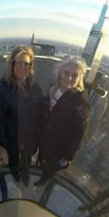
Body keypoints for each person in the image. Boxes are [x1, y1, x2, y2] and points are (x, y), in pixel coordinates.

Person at [0, 46, 43, 185]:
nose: (23, 67)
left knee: (26, 161)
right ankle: (16, 178)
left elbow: (40, 115)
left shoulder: (36, 87)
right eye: (19, 62)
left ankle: (24, 177)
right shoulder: (1, 91)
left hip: (30, 140)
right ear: (12, 63)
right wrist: (5, 145)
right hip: (13, 141)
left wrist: (38, 137)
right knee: (14, 162)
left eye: (27, 63)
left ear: (31, 66)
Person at [35, 57, 90, 186]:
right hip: (45, 142)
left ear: (79, 80)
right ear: (60, 74)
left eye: (74, 75)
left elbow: (79, 135)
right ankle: (40, 173)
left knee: (50, 170)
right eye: (66, 73)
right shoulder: (53, 91)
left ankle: (44, 183)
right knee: (42, 161)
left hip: (59, 150)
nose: (69, 78)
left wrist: (68, 157)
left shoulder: (81, 103)